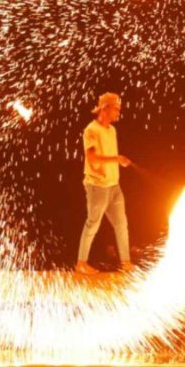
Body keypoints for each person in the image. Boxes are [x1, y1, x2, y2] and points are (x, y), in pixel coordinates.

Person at [75, 92, 134, 274]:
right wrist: (116, 159)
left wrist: (116, 162)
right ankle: (81, 264)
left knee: (121, 224)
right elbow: (92, 158)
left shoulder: (112, 130)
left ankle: (126, 263)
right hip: (97, 186)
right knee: (92, 224)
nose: (118, 112)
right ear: (105, 108)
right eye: (116, 108)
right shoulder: (91, 130)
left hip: (113, 186)